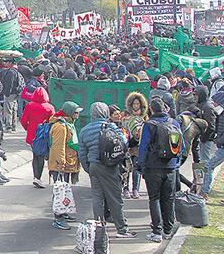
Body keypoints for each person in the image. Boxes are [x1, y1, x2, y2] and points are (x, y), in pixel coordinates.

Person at [77, 102, 136, 238]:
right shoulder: (111, 127)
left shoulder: (84, 130)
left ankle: (99, 229)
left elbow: (82, 153)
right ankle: (121, 229)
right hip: (110, 167)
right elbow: (123, 143)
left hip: (94, 166)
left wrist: (89, 168)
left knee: (97, 197)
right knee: (115, 198)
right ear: (105, 113)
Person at [136, 98, 181, 243]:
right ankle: (168, 229)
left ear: (151, 109)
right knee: (169, 199)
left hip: (153, 166)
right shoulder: (174, 123)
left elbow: (143, 147)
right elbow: (182, 146)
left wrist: (141, 165)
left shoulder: (149, 125)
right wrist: (176, 163)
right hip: (171, 166)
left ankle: (157, 231)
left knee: (154, 198)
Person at [48, 101, 81, 230]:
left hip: (68, 163)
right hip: (60, 164)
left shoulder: (69, 124)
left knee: (65, 190)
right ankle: (58, 217)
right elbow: (58, 147)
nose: (78, 114)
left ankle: (64, 212)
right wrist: (60, 164)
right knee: (59, 191)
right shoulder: (60, 127)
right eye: (76, 112)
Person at [20, 81, 54, 188]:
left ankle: (36, 177)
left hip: (32, 136)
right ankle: (37, 178)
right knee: (40, 156)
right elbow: (52, 122)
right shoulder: (49, 107)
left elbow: (23, 121)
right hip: (44, 136)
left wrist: (28, 129)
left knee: (36, 156)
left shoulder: (29, 106)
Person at [123, 91, 149, 199]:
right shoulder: (126, 119)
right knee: (127, 168)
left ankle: (135, 189)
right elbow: (123, 131)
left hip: (139, 148)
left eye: (138, 104)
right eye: (134, 104)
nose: (136, 106)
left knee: (136, 169)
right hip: (129, 146)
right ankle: (126, 189)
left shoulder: (145, 119)